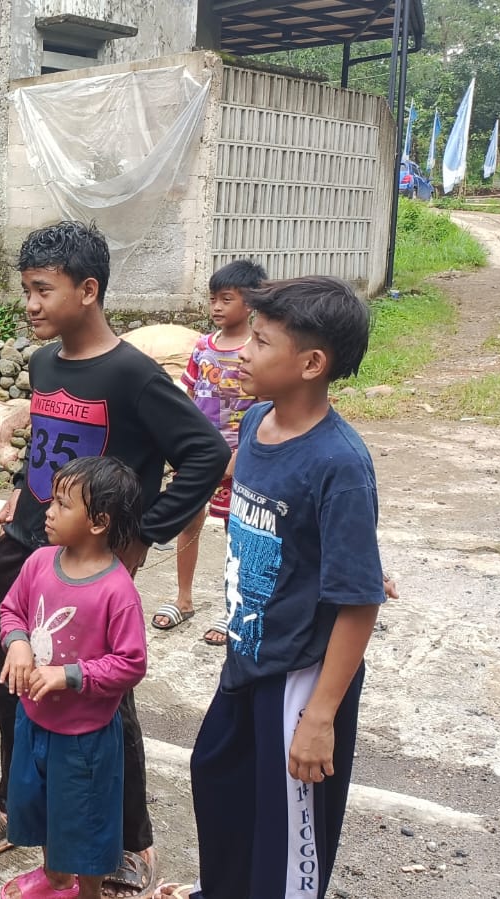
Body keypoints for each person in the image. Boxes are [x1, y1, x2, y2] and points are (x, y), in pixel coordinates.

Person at [0, 221, 229, 897]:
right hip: (27, 557)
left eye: (42, 290)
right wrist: (22, 494)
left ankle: (129, 840)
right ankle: (19, 805)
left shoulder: (132, 375)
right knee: (14, 682)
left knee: (104, 702)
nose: (29, 303)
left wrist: (141, 534)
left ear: (87, 290)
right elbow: (51, 445)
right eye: (25, 289)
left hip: (89, 575)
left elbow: (204, 453)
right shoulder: (45, 364)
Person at [158, 277, 388, 899]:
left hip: (300, 677)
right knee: (219, 779)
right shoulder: (258, 421)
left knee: (288, 836)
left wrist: (320, 717)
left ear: (311, 364)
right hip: (248, 654)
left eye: (261, 342)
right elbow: (255, 488)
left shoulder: (340, 464)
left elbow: (359, 602)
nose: (244, 352)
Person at [0, 456, 148, 899]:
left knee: (87, 822)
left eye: (63, 505)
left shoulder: (117, 591)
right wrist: (18, 643)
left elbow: (131, 663)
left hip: (85, 739)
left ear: (99, 522)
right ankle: (57, 877)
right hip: (33, 720)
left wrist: (70, 675)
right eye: (52, 501)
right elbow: (12, 610)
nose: (48, 511)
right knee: (42, 807)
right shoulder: (39, 562)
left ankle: (88, 891)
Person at [150, 259, 266, 642]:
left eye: (226, 299)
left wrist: (240, 457)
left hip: (238, 459)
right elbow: (186, 398)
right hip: (199, 456)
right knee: (189, 522)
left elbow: (265, 409)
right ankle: (183, 599)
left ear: (250, 303)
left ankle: (234, 609)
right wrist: (175, 444)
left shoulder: (256, 352)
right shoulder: (202, 347)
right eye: (213, 298)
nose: (216, 306)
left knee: (237, 532)